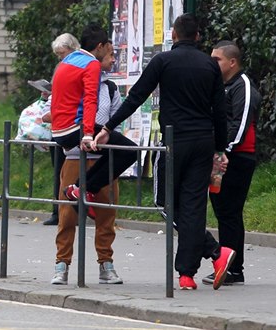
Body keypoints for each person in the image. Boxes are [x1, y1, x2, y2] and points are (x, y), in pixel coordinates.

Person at [94, 14, 235, 291]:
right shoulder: (209, 65)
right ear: (197, 37)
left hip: (174, 141)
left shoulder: (163, 61)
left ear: (173, 34)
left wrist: (109, 126)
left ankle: (215, 252)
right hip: (203, 142)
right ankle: (187, 273)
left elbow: (137, 96)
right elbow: (220, 111)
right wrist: (219, 148)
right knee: (193, 206)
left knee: (164, 201)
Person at [49, 24, 137, 285]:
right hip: (77, 156)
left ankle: (105, 264)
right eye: (110, 54)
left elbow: (114, 122)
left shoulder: (109, 89)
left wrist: (104, 134)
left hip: (103, 161)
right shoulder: (78, 74)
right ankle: (62, 264)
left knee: (106, 215)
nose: (111, 60)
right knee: (67, 216)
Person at [201, 41, 262, 286]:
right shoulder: (222, 86)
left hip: (238, 157)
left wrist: (224, 149)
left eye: (217, 60)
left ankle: (234, 269)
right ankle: (229, 266)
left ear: (232, 62)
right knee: (223, 211)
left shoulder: (243, 86)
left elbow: (241, 122)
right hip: (221, 156)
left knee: (230, 212)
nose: (213, 63)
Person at [42, 33, 80, 226]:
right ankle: (58, 210)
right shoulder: (61, 68)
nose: (60, 58)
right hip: (57, 125)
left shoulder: (80, 66)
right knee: (59, 170)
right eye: (58, 55)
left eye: (62, 53)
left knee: (72, 170)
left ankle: (73, 210)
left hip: (72, 124)